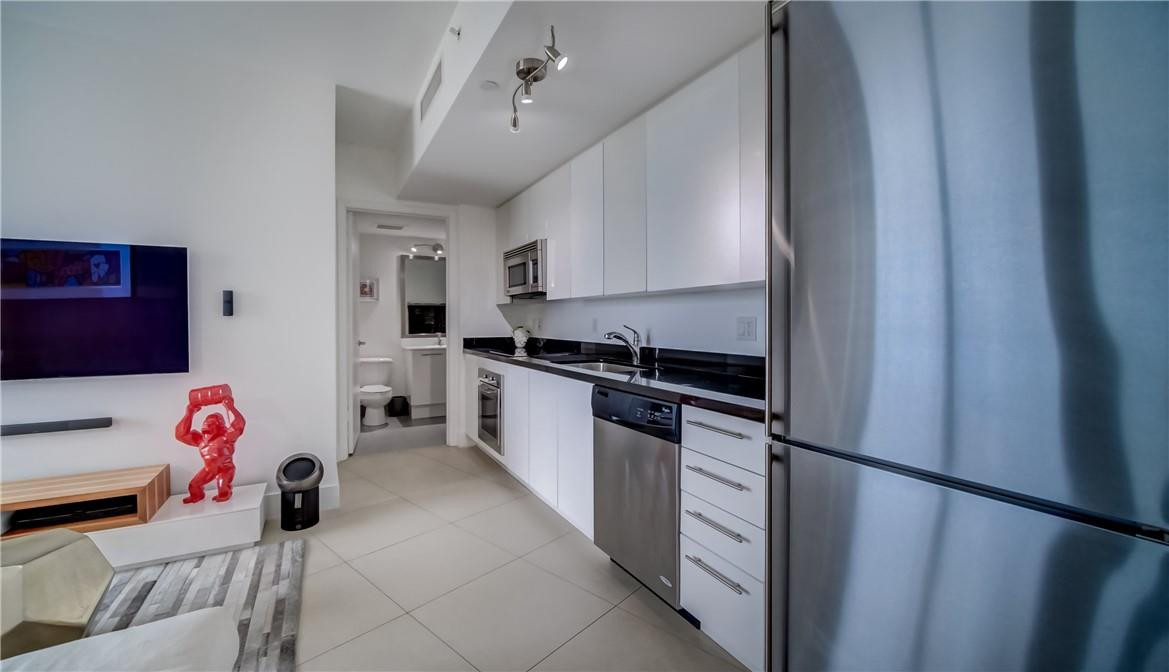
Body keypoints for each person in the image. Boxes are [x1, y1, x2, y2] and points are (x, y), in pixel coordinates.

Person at [175, 392, 245, 503]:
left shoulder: (226, 437)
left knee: (223, 489)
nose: (206, 425)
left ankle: (225, 493)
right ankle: (197, 496)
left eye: (212, 423)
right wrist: (189, 413)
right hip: (209, 470)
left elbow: (238, 425)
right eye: (206, 422)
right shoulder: (200, 440)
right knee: (193, 486)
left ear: (220, 426)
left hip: (225, 468)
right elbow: (180, 434)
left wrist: (230, 407)